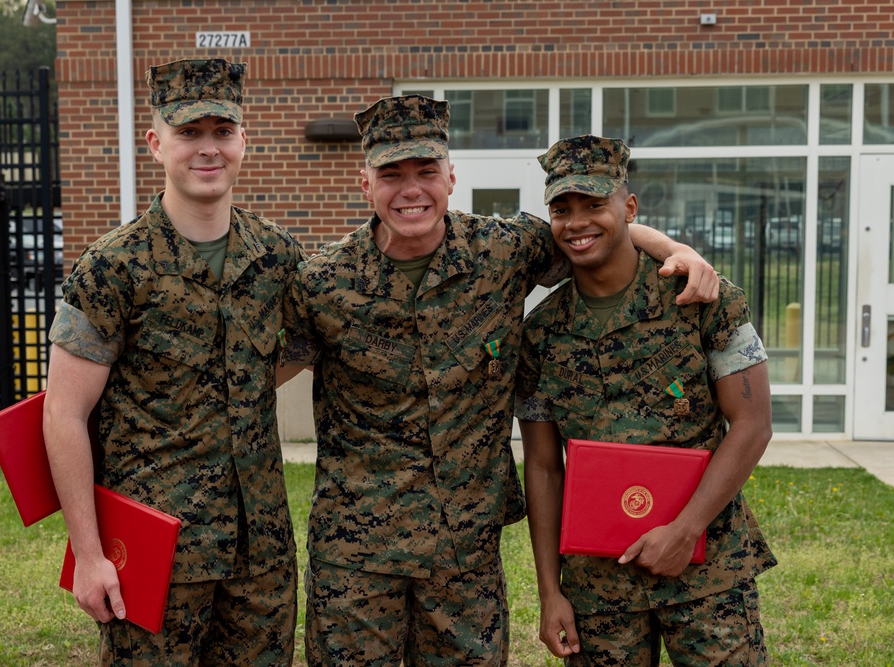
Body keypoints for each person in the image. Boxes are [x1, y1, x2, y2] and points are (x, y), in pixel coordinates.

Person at [281, 95, 720, 666]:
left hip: (465, 551)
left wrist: (673, 248)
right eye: (391, 174)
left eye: (426, 171)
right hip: (356, 558)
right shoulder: (320, 282)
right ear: (366, 185)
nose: (411, 189)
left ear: (451, 178)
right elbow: (263, 372)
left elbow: (591, 229)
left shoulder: (503, 250)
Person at [42, 59, 305, 665]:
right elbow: (63, 413)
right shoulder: (114, 266)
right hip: (155, 549)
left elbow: (297, 348)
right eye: (189, 133)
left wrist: (230, 387)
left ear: (245, 141)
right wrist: (88, 555)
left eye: (222, 131)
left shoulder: (279, 258)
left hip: (258, 554)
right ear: (157, 143)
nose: (207, 149)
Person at [516, 135, 777, 665]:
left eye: (594, 204)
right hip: (597, 582)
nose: (577, 222)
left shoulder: (701, 298)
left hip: (706, 571)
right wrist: (550, 592)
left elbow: (752, 424)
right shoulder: (540, 334)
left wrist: (686, 530)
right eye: (561, 209)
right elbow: (544, 467)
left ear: (628, 208)